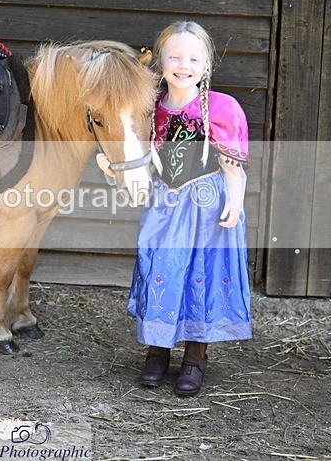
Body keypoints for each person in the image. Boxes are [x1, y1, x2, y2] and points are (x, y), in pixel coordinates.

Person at [97, 21, 251, 396]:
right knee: (161, 272)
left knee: (201, 275)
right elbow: (139, 158)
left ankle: (195, 357)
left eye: (193, 58)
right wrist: (112, 167)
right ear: (161, 61)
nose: (184, 65)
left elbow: (233, 168)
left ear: (206, 63)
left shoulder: (222, 109)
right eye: (175, 57)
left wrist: (234, 201)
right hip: (165, 205)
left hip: (206, 208)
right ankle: (157, 352)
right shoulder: (149, 108)